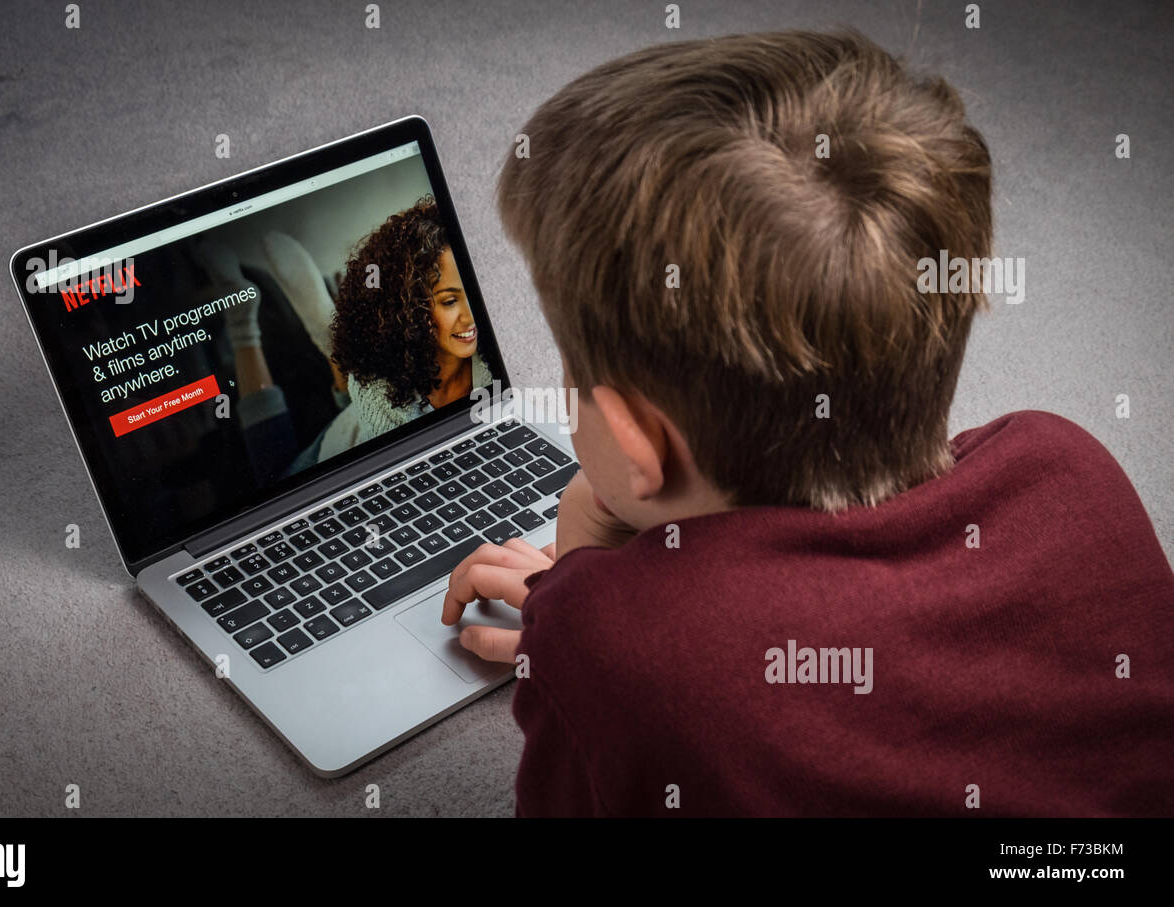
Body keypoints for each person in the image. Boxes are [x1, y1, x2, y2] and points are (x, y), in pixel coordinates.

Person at [440, 30, 1174, 816]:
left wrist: (583, 621)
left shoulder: (617, 656)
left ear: (634, 441)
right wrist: (614, 635)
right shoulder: (1067, 467)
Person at [328, 196, 494, 450]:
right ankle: (323, 327)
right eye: (450, 301)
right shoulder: (376, 387)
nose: (471, 316)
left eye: (473, 292)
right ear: (408, 310)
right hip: (339, 441)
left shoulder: (491, 356)